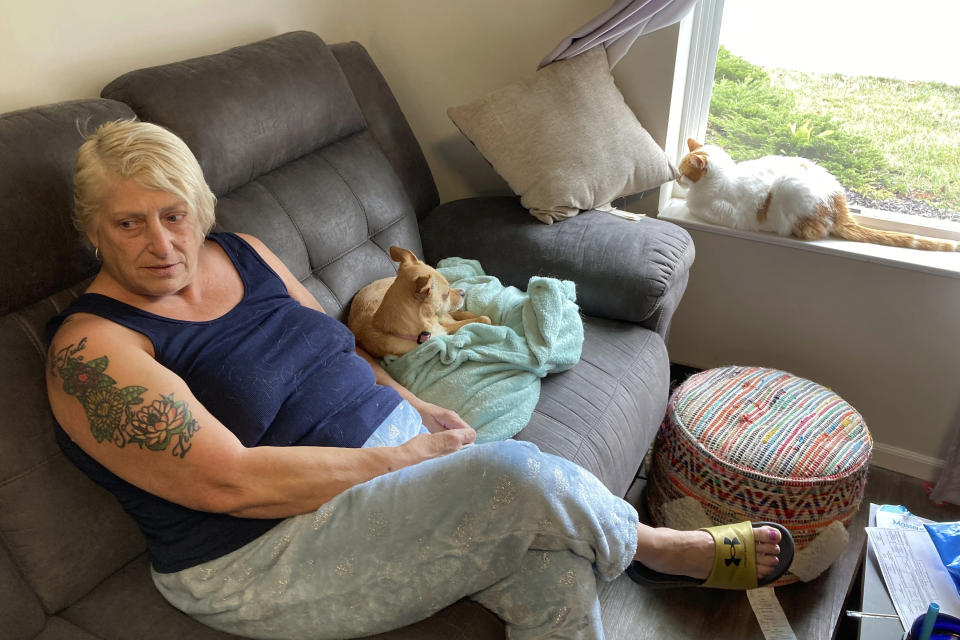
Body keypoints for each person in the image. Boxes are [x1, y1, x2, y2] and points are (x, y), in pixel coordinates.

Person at [46, 120, 791, 640]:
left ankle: (622, 555)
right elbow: (229, 483)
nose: (162, 244)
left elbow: (337, 350)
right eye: (129, 224)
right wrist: (399, 460)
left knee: (555, 572)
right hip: (260, 550)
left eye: (174, 215)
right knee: (517, 472)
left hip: (378, 462)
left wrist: (413, 404)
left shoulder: (237, 251)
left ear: (198, 208)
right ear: (92, 229)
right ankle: (662, 553)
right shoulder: (93, 353)